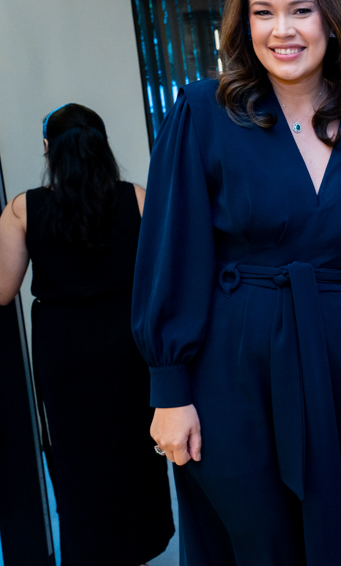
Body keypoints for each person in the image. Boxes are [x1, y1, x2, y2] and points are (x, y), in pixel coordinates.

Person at [131, 0, 341, 565]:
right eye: (263, 12)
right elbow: (172, 249)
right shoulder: (204, 112)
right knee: (256, 540)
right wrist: (168, 390)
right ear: (243, 24)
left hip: (338, 368)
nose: (283, 30)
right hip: (231, 368)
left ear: (331, 18)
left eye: (301, 10)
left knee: (336, 534)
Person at [0, 104, 173, 566]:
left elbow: (2, 289)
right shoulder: (137, 197)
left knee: (78, 456)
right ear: (104, 145)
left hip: (64, 352)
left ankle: (92, 552)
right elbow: (163, 275)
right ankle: (143, 547)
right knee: (136, 446)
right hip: (128, 345)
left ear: (48, 149)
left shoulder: (22, 209)